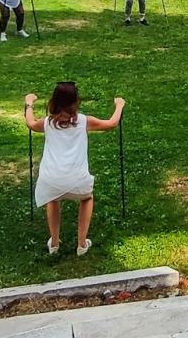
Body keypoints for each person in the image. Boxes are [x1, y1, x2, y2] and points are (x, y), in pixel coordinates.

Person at [24, 83, 125, 255]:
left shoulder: (48, 123)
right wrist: (119, 105)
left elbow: (31, 123)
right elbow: (112, 123)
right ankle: (81, 244)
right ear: (76, 101)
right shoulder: (84, 121)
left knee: (53, 199)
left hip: (50, 180)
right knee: (86, 198)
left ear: (53, 101)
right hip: (77, 180)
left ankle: (54, 243)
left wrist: (29, 103)